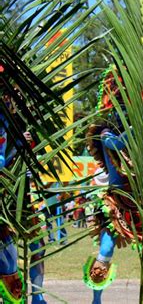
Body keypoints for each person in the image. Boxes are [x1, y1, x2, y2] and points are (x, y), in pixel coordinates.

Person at [84, 66, 143, 304]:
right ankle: (96, 300)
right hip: (117, 202)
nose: (126, 112)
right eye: (122, 106)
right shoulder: (105, 133)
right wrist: (141, 123)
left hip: (142, 201)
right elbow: (118, 144)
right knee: (106, 251)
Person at [0, 97, 47, 304]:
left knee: (38, 245)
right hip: (6, 193)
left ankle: (37, 295)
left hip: (23, 193)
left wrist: (24, 145)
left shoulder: (18, 121)